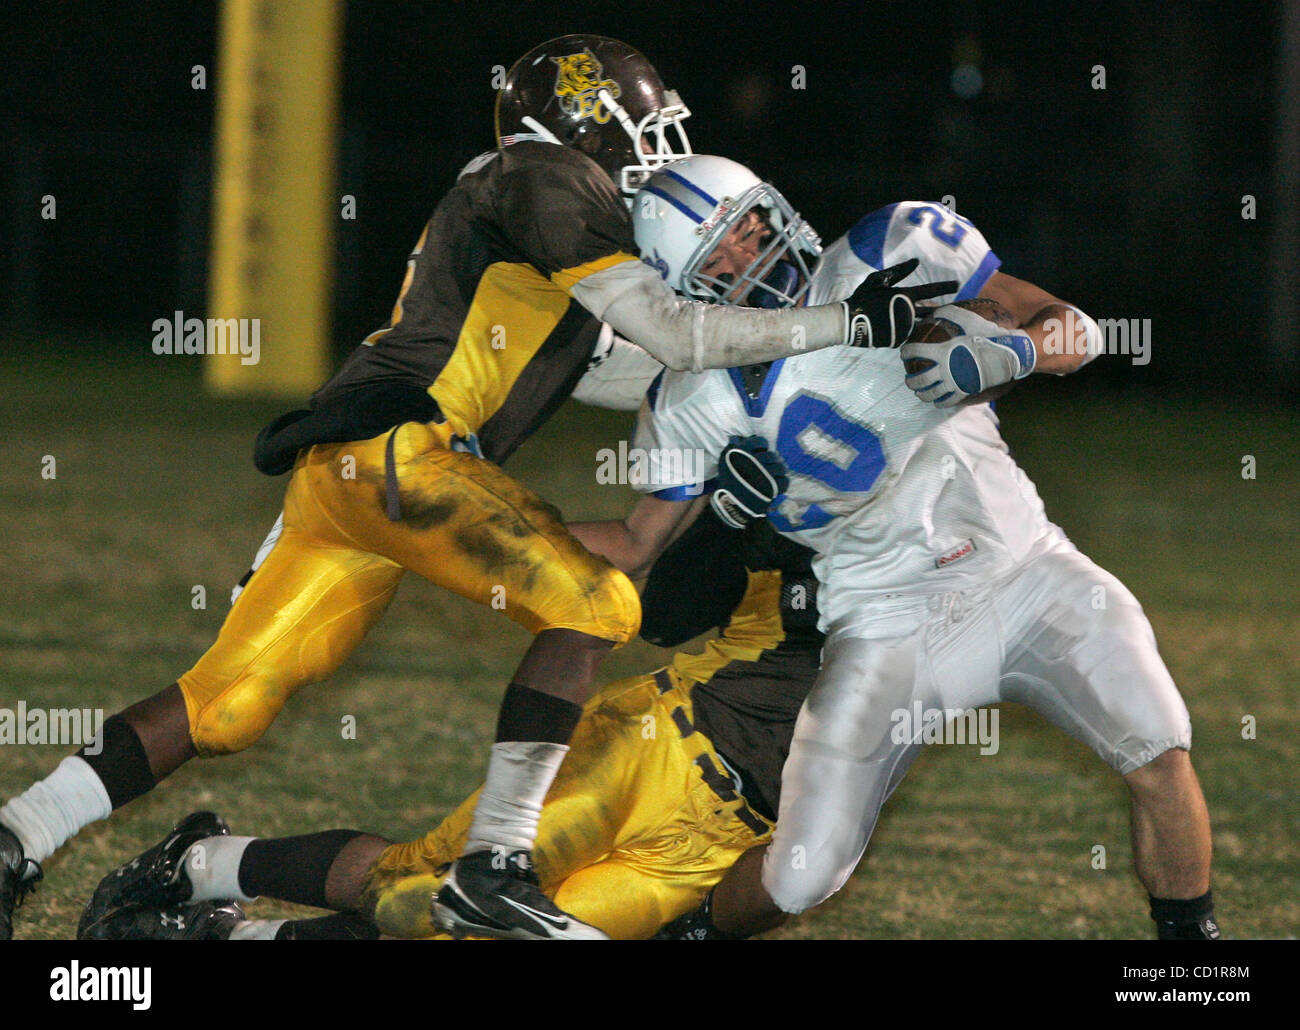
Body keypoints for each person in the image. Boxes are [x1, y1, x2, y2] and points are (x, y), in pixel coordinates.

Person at [0, 37, 937, 940]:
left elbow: (645, 365)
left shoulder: (549, 253)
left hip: (351, 474)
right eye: (642, 128)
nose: (656, 151)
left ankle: (19, 836)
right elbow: (678, 336)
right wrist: (840, 326)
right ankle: (496, 861)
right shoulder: (544, 178)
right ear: (584, 126)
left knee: (227, 703)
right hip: (405, 449)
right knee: (597, 602)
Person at [573, 155, 1220, 941]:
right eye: (720, 256)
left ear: (772, 208)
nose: (749, 256)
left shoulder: (887, 250)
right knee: (802, 873)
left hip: (1024, 570)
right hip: (883, 619)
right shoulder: (693, 398)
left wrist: (1010, 351)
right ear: (686, 288)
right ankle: (694, 933)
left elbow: (1071, 328)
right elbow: (639, 547)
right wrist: (486, 520)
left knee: (1158, 742)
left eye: (745, 227)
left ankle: (1194, 962)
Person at [78, 509, 822, 941]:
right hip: (656, 746)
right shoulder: (835, 509)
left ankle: (226, 937)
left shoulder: (939, 601)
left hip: (723, 841)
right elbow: (667, 612)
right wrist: (737, 515)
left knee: (455, 931)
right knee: (429, 890)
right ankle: (199, 863)